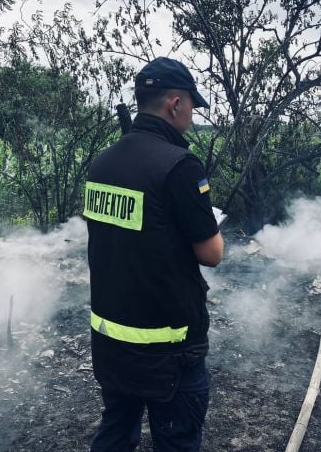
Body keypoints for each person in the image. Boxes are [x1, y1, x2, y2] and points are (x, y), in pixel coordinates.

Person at [84, 57, 224, 451]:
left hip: (110, 337)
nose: (193, 118)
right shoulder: (179, 165)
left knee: (115, 429)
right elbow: (212, 253)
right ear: (174, 104)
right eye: (192, 108)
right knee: (177, 439)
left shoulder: (102, 163)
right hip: (168, 346)